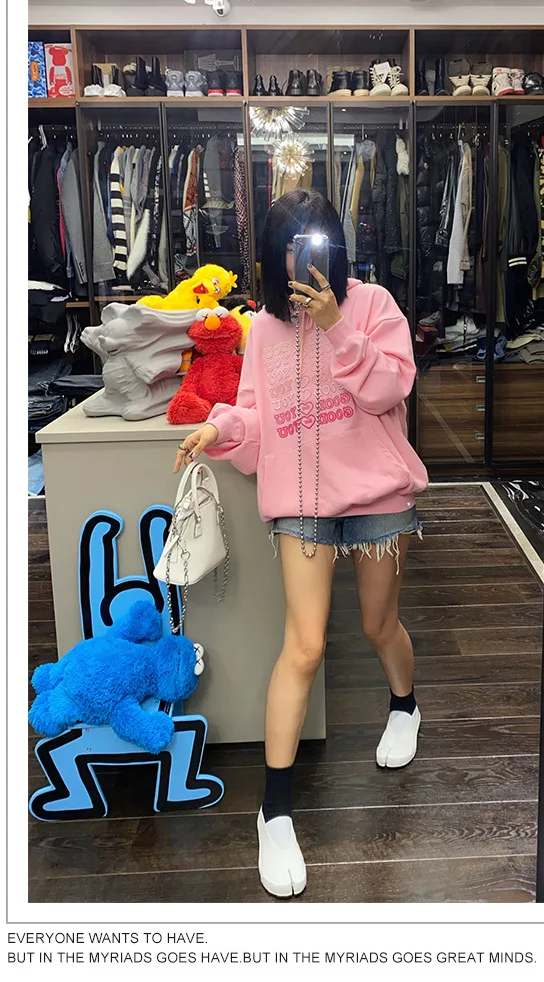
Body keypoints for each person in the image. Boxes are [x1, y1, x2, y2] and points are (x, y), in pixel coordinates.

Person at [175, 190, 428, 899]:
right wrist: (220, 427)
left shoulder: (372, 305)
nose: (300, 259)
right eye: (287, 247)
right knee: (305, 645)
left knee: (379, 624)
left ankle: (405, 704)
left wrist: (338, 326)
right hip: (303, 506)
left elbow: (391, 389)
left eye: (311, 244)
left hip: (378, 496)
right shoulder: (263, 328)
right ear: (272, 256)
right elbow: (260, 419)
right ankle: (275, 810)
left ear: (335, 247)